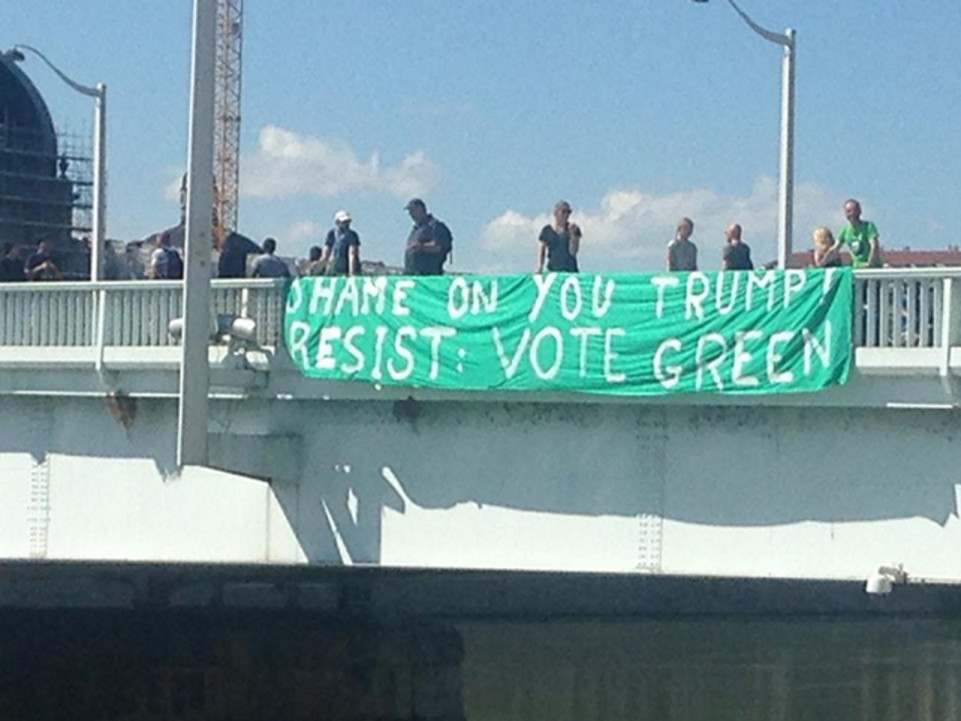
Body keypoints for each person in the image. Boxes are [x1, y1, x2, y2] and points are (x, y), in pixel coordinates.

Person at [403, 198, 452, 276]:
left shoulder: (435, 226)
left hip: (429, 275)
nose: (410, 214)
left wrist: (421, 247)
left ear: (420, 209)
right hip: (412, 275)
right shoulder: (416, 229)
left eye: (413, 210)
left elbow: (439, 246)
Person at [832, 198, 882, 268]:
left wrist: (870, 264)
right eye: (848, 211)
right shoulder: (845, 231)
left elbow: (874, 246)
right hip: (857, 269)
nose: (852, 214)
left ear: (859, 212)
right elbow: (834, 248)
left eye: (854, 211)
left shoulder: (868, 226)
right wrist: (821, 264)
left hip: (872, 269)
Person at [537, 201, 581, 273]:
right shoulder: (546, 230)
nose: (566, 215)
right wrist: (540, 267)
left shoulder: (574, 229)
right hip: (553, 271)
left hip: (570, 271)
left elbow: (573, 252)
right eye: (563, 212)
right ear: (555, 213)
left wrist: (573, 236)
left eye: (568, 212)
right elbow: (542, 249)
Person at [321, 210, 361, 276]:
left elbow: (352, 255)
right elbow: (325, 256)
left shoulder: (352, 235)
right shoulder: (331, 234)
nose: (346, 224)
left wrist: (352, 274)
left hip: (350, 267)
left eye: (347, 222)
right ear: (337, 222)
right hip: (337, 266)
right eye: (344, 222)